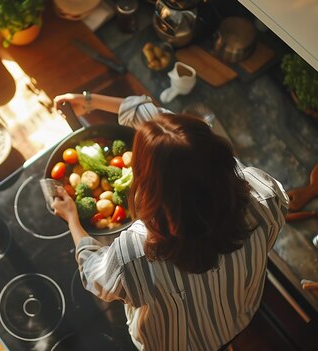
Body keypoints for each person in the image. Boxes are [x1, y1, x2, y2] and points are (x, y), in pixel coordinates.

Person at [51, 92, 289, 351]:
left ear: (153, 189)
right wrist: (87, 100)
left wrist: (73, 219)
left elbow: (95, 276)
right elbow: (174, 135)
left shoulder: (135, 254)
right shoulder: (264, 193)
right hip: (238, 316)